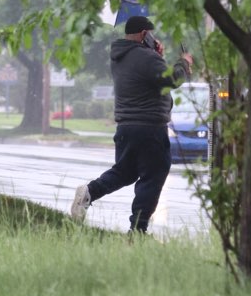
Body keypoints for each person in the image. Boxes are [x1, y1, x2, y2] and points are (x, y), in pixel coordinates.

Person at [71, 16, 193, 234]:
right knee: (154, 174)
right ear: (144, 34)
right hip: (150, 128)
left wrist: (156, 55)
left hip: (126, 127)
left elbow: (150, 78)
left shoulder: (121, 57)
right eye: (151, 34)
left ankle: (89, 192)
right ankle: (138, 228)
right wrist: (184, 63)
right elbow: (172, 79)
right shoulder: (145, 57)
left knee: (125, 172)